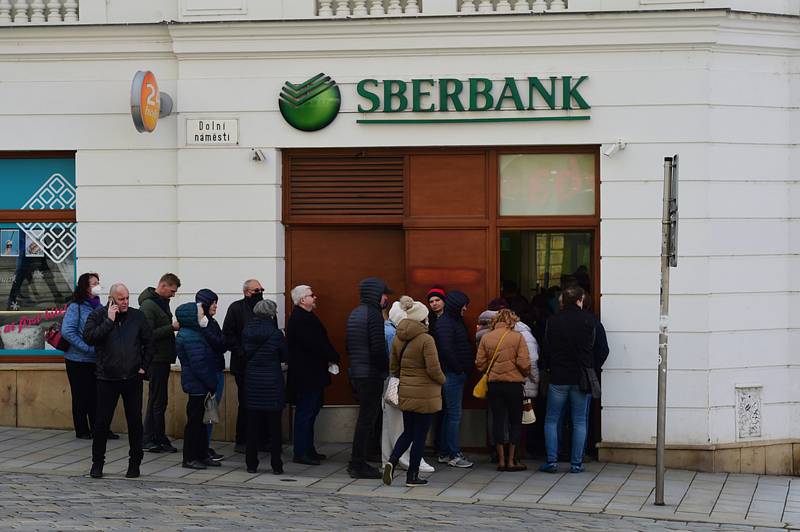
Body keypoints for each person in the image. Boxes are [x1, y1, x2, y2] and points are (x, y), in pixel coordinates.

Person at [83, 283, 153, 479]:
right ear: (111, 299)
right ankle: (97, 463)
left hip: (132, 378)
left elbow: (149, 343)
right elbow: (89, 338)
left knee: (134, 422)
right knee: (101, 423)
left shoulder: (137, 316)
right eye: (121, 299)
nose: (125, 302)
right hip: (107, 378)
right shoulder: (98, 315)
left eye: (127, 298)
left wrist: (143, 367)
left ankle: (134, 463)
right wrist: (109, 320)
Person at [382, 298, 445, 487]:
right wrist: (443, 380)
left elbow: (394, 367)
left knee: (408, 431)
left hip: (406, 391)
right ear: (422, 319)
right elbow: (434, 369)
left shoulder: (399, 337)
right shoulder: (426, 339)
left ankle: (392, 461)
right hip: (425, 394)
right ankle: (412, 475)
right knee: (420, 436)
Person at [539, 285, 595, 474]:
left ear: (562, 301)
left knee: (552, 420)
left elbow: (545, 348)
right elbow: (596, 349)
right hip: (581, 378)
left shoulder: (553, 321)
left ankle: (552, 461)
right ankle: (576, 463)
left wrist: (548, 367)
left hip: (558, 376)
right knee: (580, 421)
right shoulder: (589, 320)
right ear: (580, 300)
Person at [286, 284, 340, 466]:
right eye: (311, 295)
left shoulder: (304, 317)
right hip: (306, 376)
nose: (315, 297)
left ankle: (308, 449)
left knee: (310, 411)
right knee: (305, 413)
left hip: (310, 374)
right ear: (302, 300)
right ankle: (301, 451)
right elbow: (316, 344)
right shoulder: (301, 319)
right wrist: (332, 356)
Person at [61, 272, 119, 440]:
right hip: (77, 359)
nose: (97, 285)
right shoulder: (76, 306)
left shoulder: (99, 306)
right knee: (81, 395)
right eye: (94, 283)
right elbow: (67, 331)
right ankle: (82, 429)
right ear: (85, 287)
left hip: (96, 359)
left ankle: (99, 428)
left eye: (98, 282)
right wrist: (86, 348)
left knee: (98, 396)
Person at [346, 277, 392, 479]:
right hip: (370, 374)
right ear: (376, 294)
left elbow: (349, 346)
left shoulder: (355, 313)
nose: (386, 298)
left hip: (357, 372)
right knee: (367, 420)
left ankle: (357, 461)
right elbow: (378, 348)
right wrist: (384, 370)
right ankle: (358, 464)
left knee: (364, 419)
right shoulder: (373, 315)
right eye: (384, 294)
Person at [476, 309, 531, 472]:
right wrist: (523, 373)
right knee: (515, 421)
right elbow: (524, 362)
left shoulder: (486, 337)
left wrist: (492, 371)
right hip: (514, 385)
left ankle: (500, 460)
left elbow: (480, 363)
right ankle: (512, 461)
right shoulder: (517, 337)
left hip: (494, 385)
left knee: (498, 421)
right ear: (512, 320)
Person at [242, 299, 287, 475]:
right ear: (271, 314)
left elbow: (245, 352)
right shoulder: (276, 334)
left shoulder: (247, 331)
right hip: (272, 383)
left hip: (252, 381)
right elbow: (285, 354)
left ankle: (251, 464)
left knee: (252, 426)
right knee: (274, 428)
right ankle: (276, 465)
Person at [140, 273, 181, 454]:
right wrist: (171, 327)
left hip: (162, 358)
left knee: (159, 400)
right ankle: (150, 438)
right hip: (155, 359)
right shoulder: (149, 305)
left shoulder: (161, 303)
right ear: (163, 285)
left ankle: (158, 436)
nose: (173, 295)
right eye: (172, 291)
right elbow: (147, 334)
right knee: (156, 400)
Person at [175, 301, 219, 470]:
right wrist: (211, 382)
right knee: (194, 423)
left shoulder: (194, 333)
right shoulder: (190, 336)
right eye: (200, 313)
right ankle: (190, 457)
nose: (203, 315)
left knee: (201, 423)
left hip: (199, 384)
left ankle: (201, 455)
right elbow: (198, 364)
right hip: (197, 385)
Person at [223, 279, 264, 454]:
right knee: (246, 402)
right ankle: (242, 440)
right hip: (243, 365)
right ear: (247, 292)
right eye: (257, 290)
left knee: (262, 403)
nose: (260, 292)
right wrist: (241, 352)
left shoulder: (264, 308)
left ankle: (261, 439)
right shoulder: (236, 308)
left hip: (262, 364)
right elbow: (228, 333)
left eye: (261, 289)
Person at [434, 290, 474, 468]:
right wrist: (458, 368)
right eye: (464, 304)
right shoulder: (446, 323)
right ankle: (453, 454)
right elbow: (446, 349)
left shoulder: (452, 321)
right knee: (454, 414)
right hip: (452, 374)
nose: (465, 308)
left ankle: (445, 452)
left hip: (455, 372)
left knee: (450, 414)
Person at [195, 289, 226, 462]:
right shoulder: (202, 325)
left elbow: (223, 343)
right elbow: (219, 344)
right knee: (207, 412)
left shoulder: (211, 322)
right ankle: (202, 449)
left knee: (210, 412)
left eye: (216, 302)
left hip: (215, 370)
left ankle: (204, 446)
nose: (215, 306)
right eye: (212, 302)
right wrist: (205, 326)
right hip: (209, 372)